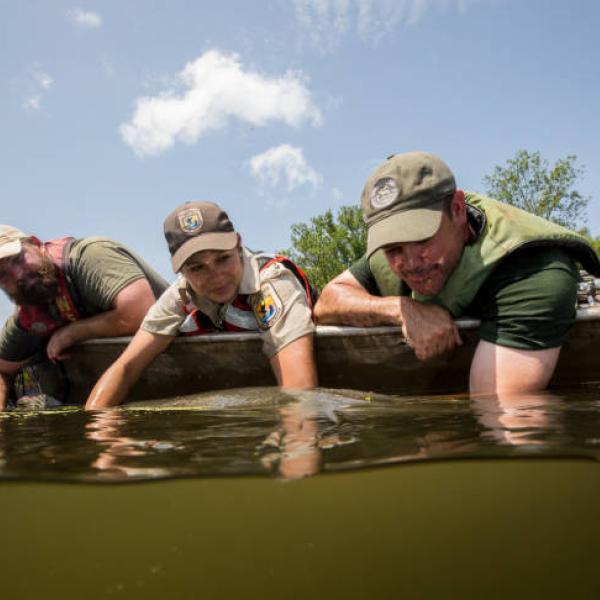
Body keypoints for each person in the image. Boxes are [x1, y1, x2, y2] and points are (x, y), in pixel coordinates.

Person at [314, 151, 600, 395]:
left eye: (422, 239)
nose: (411, 263)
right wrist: (400, 309)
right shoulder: (386, 256)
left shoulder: (535, 270)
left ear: (458, 210)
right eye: (394, 249)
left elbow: (499, 416)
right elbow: (327, 303)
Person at [85, 201, 318, 409]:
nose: (216, 276)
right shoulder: (181, 291)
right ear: (181, 270)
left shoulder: (273, 282)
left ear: (238, 244)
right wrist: (98, 436)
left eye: (223, 258)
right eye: (197, 268)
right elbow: (126, 367)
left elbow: (300, 397)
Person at [0, 226, 168, 410]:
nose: (18, 276)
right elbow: (2, 367)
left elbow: (141, 313)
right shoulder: (29, 315)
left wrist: (73, 332)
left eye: (18, 259)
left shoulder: (89, 257)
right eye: (3, 275)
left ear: (35, 244)